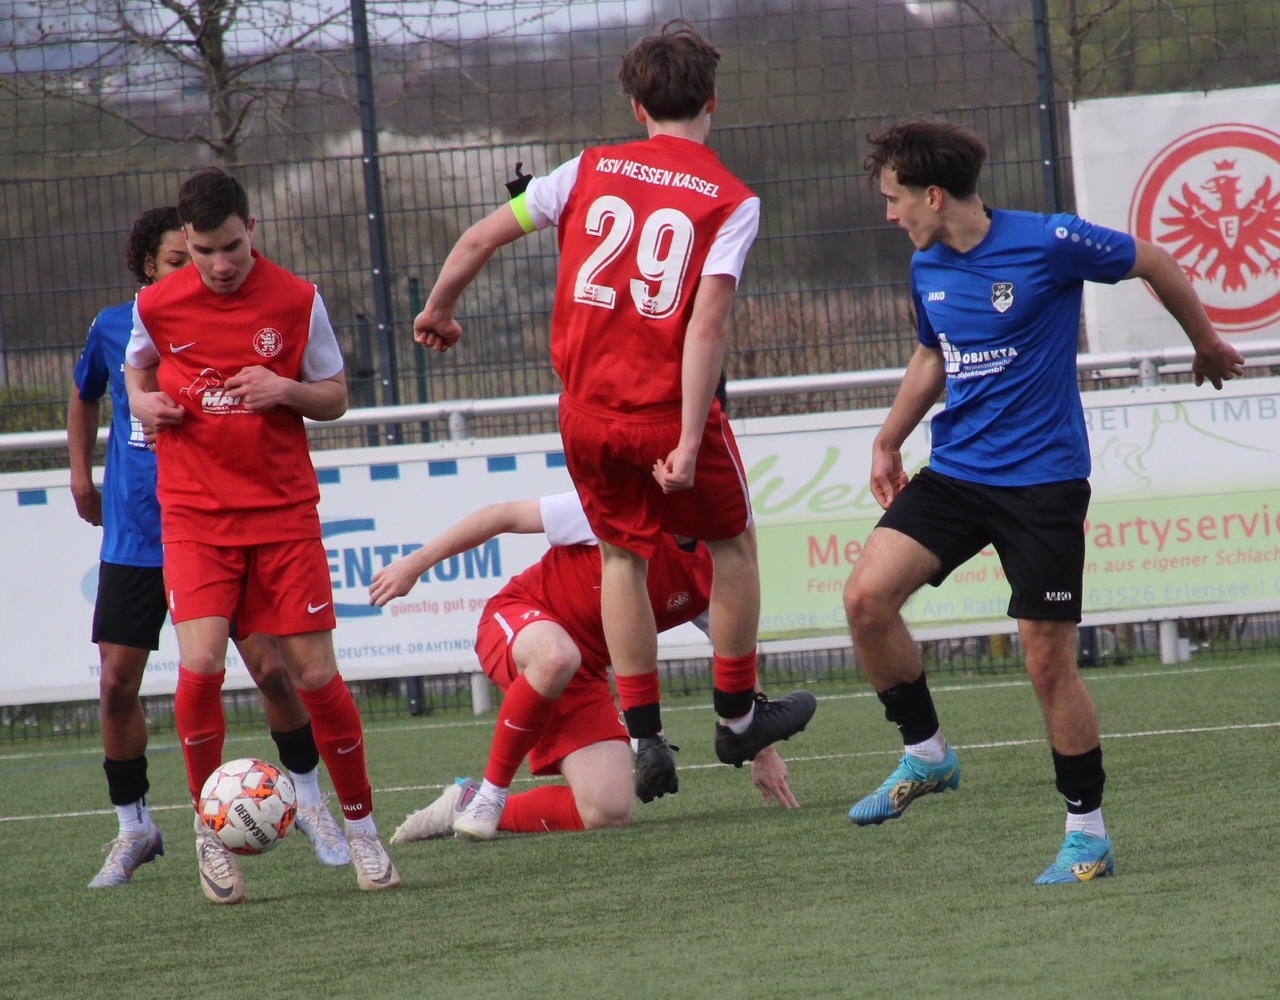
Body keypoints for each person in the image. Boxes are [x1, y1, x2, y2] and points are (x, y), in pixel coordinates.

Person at [413, 21, 815, 803]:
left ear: (636, 107)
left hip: (586, 415)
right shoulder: (731, 200)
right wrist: (690, 438)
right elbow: (706, 325)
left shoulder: (585, 169)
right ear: (713, 101)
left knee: (621, 559)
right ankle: (737, 717)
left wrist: (439, 311)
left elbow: (478, 239)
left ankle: (645, 733)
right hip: (663, 410)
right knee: (733, 546)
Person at [841, 119, 1246, 884]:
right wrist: (889, 439)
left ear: (934, 195)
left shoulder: (1050, 241)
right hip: (958, 474)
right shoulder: (927, 265)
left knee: (1047, 662)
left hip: (1043, 484)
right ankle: (927, 753)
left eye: (896, 199)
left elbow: (1154, 260)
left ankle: (1088, 835)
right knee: (866, 599)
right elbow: (933, 353)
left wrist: (1204, 341)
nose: (890, 214)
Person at [124, 170, 398, 903]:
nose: (220, 264)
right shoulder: (156, 304)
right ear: (186, 241)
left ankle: (363, 829)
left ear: (253, 230)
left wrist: (285, 391)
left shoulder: (298, 300)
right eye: (205, 250)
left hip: (281, 514)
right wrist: (146, 404)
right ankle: (209, 837)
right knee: (200, 665)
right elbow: (137, 373)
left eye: (233, 247)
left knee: (314, 675)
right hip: (195, 515)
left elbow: (335, 397)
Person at [70, 206, 351, 889]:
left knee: (274, 670)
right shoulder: (123, 325)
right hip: (138, 533)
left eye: (206, 255)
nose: (202, 270)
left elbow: (309, 392)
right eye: (182, 259)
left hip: (215, 523)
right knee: (117, 682)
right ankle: (135, 827)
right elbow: (86, 394)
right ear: (153, 266)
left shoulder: (240, 314)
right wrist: (81, 475)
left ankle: (311, 800)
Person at [368, 490, 801, 844]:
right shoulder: (615, 506)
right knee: (557, 655)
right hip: (520, 619)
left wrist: (761, 749)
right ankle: (491, 795)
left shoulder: (718, 567)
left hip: (584, 672)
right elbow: (501, 516)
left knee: (608, 811)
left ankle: (465, 803)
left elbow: (734, 652)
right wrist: (413, 565)